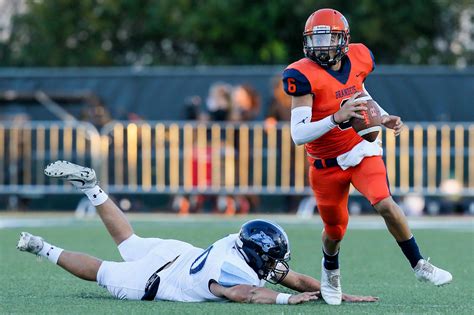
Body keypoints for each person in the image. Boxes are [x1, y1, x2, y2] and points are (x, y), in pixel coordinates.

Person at [17, 160, 378, 305]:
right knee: (102, 272)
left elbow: (294, 278)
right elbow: (245, 293)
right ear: (255, 253)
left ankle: (93, 188)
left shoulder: (237, 245)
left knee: (128, 241)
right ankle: (41, 247)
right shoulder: (233, 269)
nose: (277, 265)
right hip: (155, 278)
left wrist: (337, 294)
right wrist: (285, 301)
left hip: (175, 253)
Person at [282, 8, 452, 305]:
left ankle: (419, 264)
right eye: (316, 38)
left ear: (343, 39)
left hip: (358, 150)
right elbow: (298, 135)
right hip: (325, 164)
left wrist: (381, 117)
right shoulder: (303, 75)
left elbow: (360, 90)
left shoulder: (358, 58)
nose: (322, 45)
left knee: (384, 202)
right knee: (334, 231)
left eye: (328, 37)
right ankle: (330, 268)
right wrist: (336, 117)